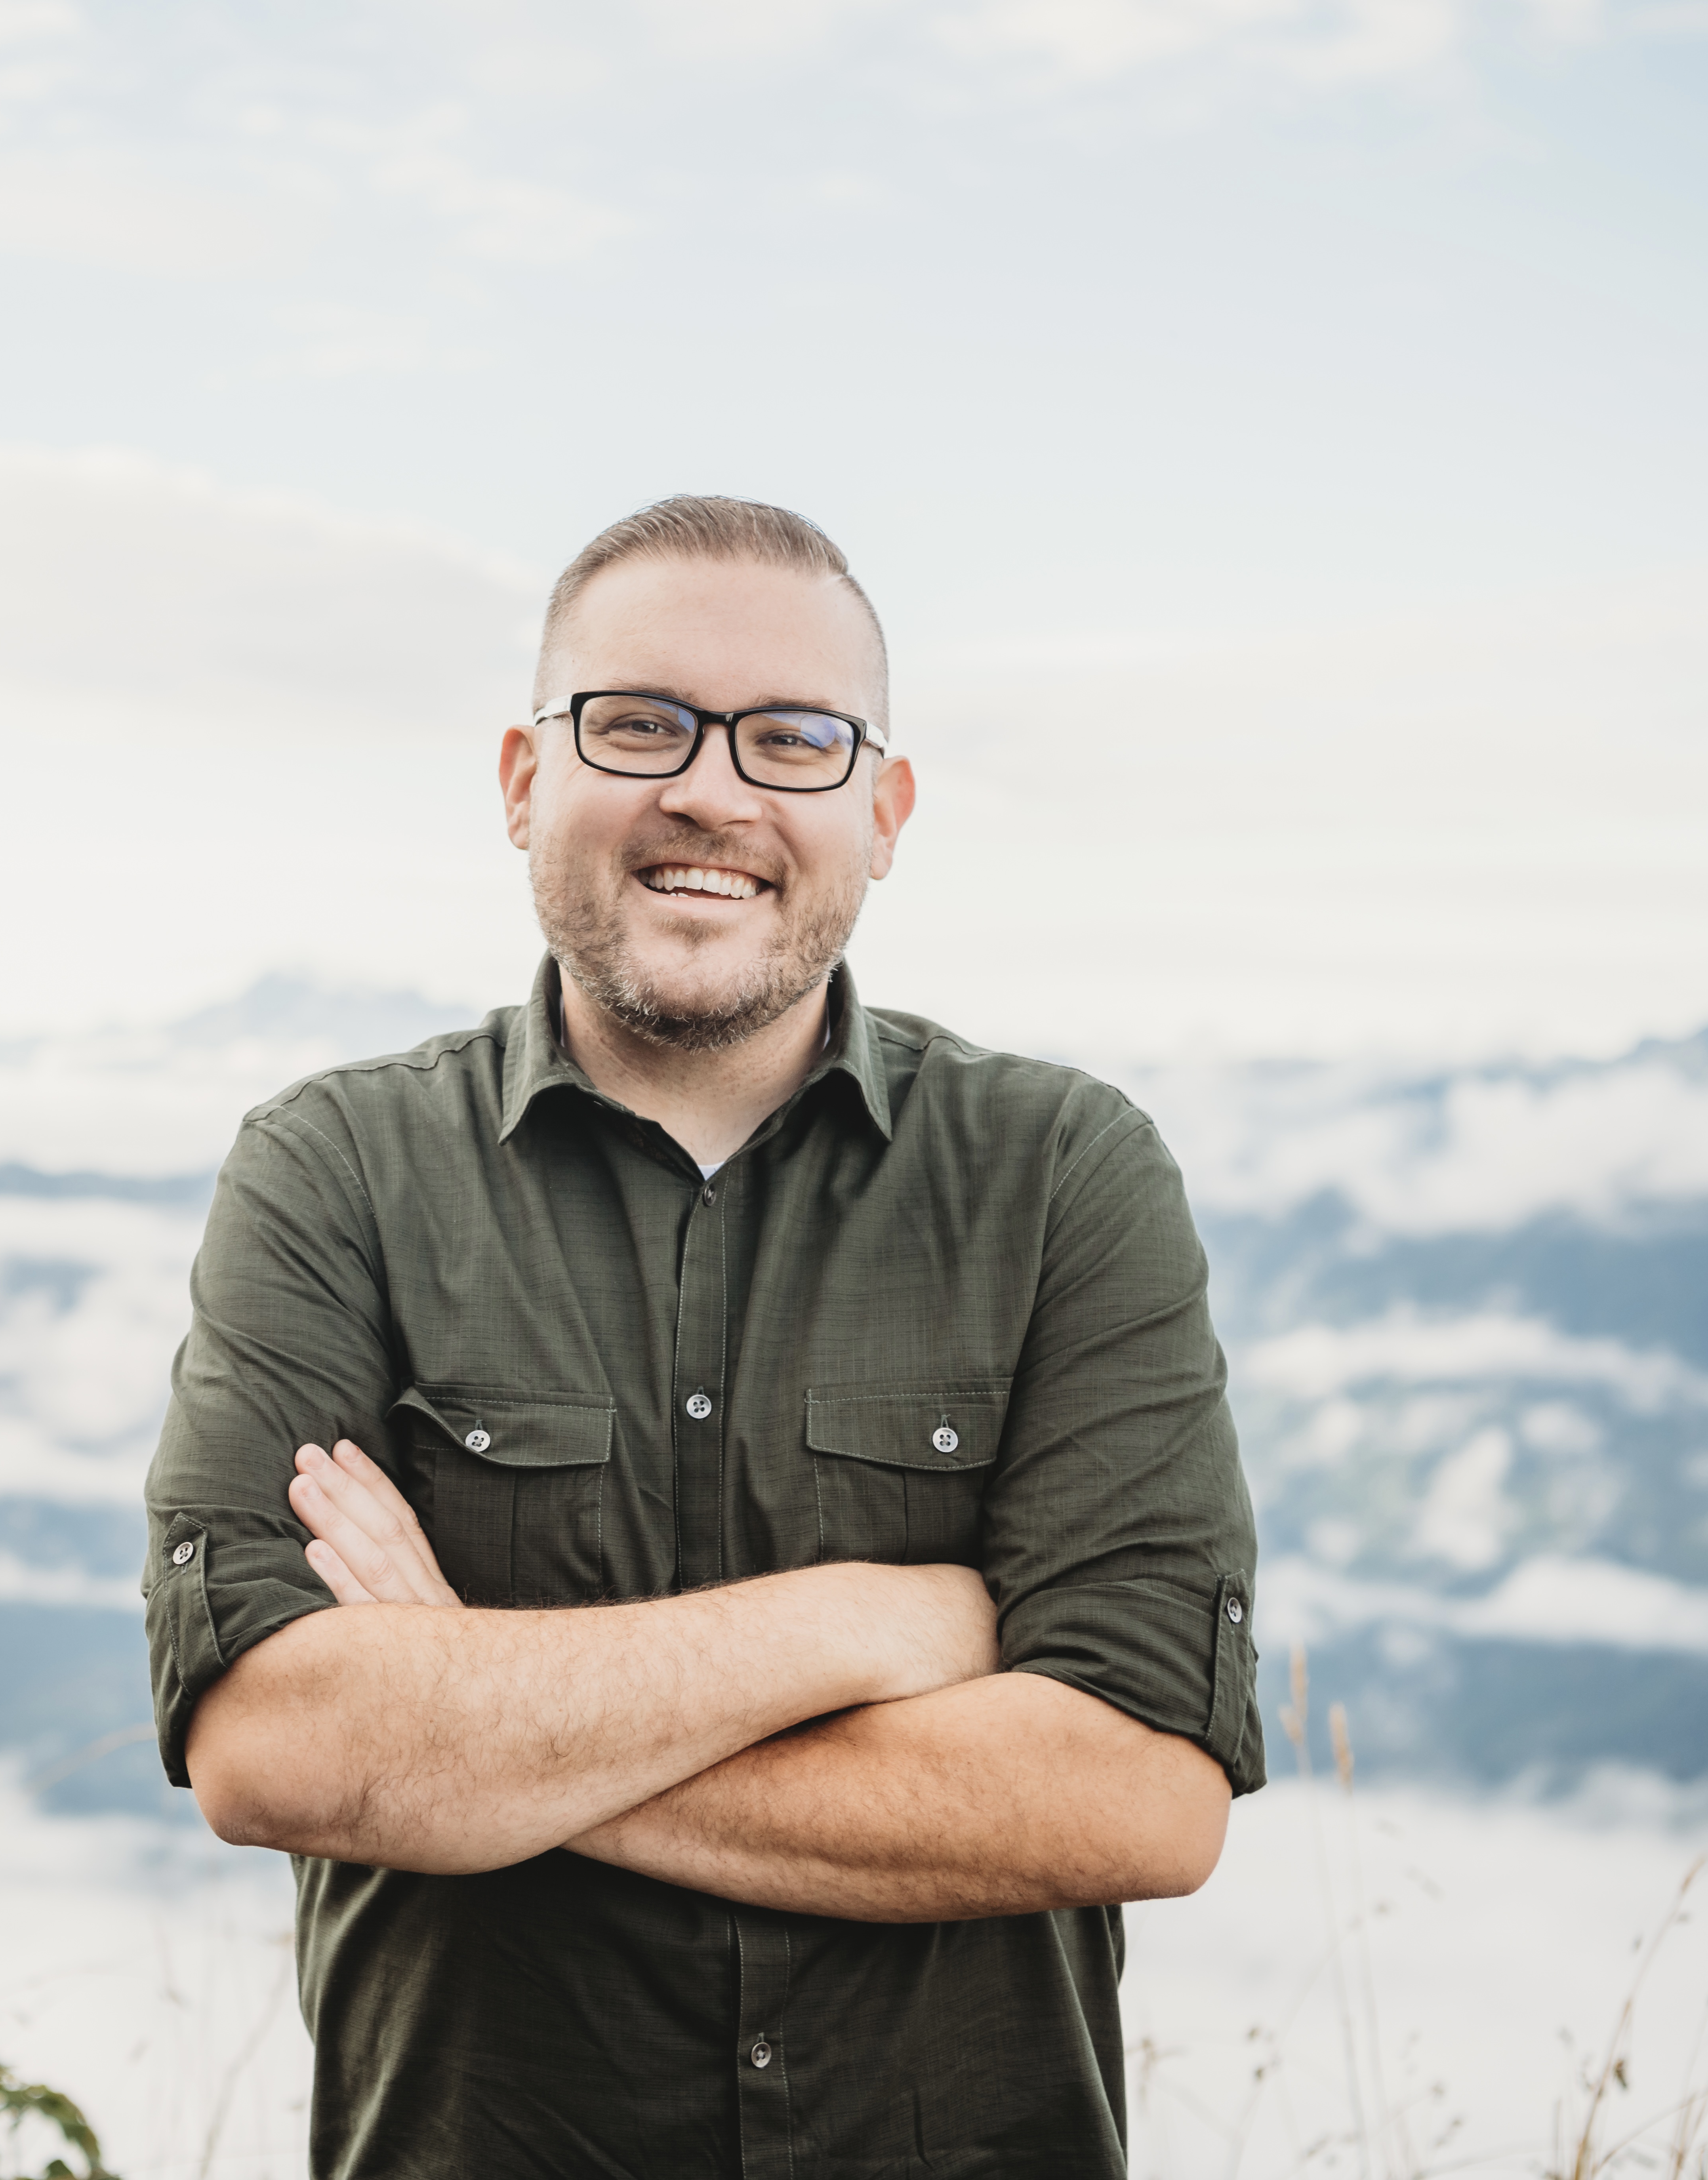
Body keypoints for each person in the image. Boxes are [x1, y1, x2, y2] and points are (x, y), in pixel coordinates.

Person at [143, 495, 1264, 2180]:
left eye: (793, 737)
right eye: (638, 721)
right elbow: (277, 1743)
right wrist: (863, 1624)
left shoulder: (1063, 1176)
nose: (713, 790)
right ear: (527, 779)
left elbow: (1139, 1799)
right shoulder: (340, 1172)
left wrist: (470, 1732)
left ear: (882, 813)